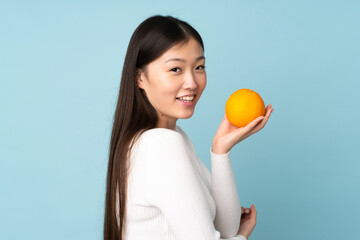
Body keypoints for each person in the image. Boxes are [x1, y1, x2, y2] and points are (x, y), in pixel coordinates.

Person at [103, 15, 274, 240]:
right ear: (140, 78)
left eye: (199, 67)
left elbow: (223, 231)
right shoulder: (160, 145)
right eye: (176, 69)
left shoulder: (167, 138)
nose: (192, 83)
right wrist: (241, 238)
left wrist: (220, 149)